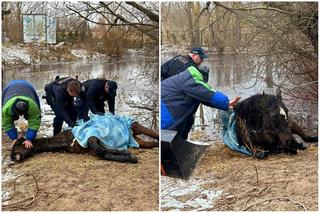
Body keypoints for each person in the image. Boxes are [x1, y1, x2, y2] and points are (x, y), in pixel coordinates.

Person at [161, 65, 240, 139]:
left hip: (167, 106)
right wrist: (226, 102)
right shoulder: (191, 80)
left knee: (178, 129)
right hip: (166, 112)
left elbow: (205, 98)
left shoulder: (184, 78)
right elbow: (207, 93)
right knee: (166, 137)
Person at [2, 80, 41, 149]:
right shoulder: (6, 108)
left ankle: (30, 137)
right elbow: (6, 123)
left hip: (29, 88)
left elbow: (35, 121)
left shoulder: (33, 106)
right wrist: (14, 138)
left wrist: (29, 139)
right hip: (9, 89)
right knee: (9, 118)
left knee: (36, 115)